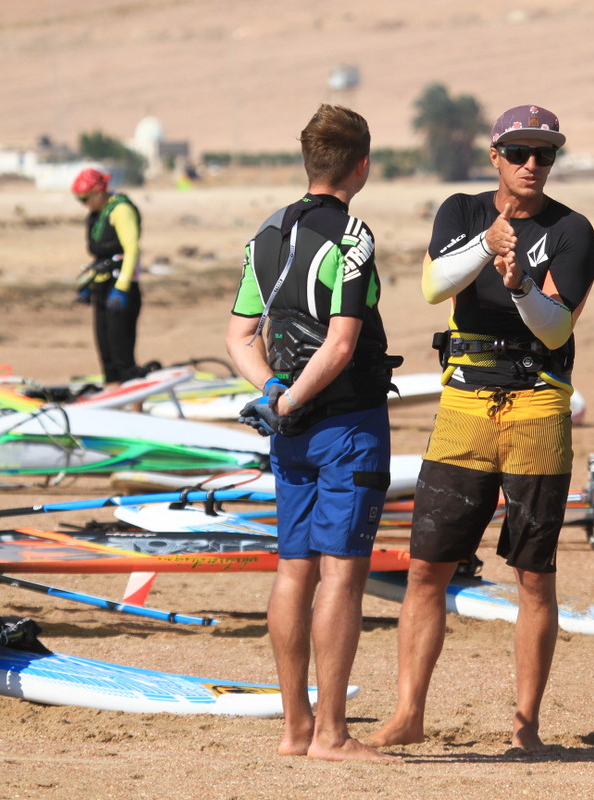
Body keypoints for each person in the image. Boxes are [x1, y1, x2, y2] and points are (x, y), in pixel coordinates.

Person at [366, 104, 594, 752]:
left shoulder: (572, 230)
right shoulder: (461, 211)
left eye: (545, 154)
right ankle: (408, 714)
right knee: (427, 568)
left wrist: (521, 284)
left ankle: (526, 726)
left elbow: (557, 328)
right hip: (464, 405)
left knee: (534, 575)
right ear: (494, 156)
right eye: (519, 152)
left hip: (538, 407)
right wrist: (487, 245)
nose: (533, 164)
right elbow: (433, 286)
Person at [225, 104, 400, 762]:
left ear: (309, 161)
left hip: (290, 430)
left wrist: (273, 394)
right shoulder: (352, 236)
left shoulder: (265, 233)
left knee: (293, 569)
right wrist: (294, 396)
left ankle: (295, 729)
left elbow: (239, 336)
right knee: (342, 577)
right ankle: (330, 734)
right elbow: (342, 343)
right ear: (362, 166)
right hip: (346, 426)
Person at [72, 167, 143, 387]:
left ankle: (135, 403)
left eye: (85, 198)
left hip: (121, 288)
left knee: (122, 356)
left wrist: (122, 287)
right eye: (79, 199)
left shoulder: (121, 210)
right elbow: (101, 256)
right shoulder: (97, 213)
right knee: (107, 357)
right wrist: (87, 285)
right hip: (102, 287)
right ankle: (114, 399)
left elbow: (132, 250)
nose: (83, 204)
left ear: (99, 191)